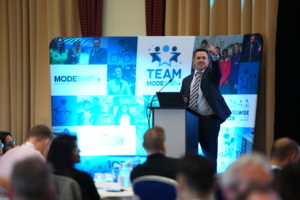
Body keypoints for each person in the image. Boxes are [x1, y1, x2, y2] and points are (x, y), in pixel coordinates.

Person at [180, 47, 231, 172]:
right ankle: (191, 182)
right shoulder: (186, 80)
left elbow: (217, 72)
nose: (201, 60)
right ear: (193, 61)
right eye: (198, 58)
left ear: (208, 61)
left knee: (210, 157)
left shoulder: (211, 76)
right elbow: (183, 98)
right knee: (190, 156)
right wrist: (184, 101)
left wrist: (215, 57)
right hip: (191, 123)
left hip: (209, 121)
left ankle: (210, 185)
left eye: (204, 58)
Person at [47, 134, 100, 200]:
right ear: (65, 152)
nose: (79, 151)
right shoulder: (83, 179)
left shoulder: (44, 178)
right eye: (75, 148)